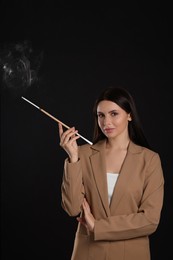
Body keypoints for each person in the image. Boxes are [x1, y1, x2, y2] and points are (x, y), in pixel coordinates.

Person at [58, 86, 164, 260]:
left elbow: (150, 220)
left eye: (114, 114)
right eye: (101, 115)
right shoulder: (82, 154)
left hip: (131, 253)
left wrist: (97, 226)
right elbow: (72, 208)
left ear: (129, 115)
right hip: (88, 252)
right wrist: (73, 159)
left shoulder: (149, 160)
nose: (106, 122)